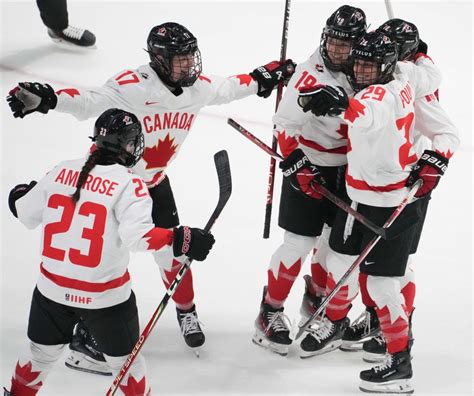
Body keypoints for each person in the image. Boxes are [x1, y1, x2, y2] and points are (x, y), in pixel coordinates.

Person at [6, 21, 295, 373]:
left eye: (192, 57)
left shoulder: (197, 88)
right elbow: (88, 101)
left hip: (153, 183)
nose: (190, 66)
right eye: (181, 59)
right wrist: (49, 98)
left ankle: (186, 312)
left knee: (175, 252)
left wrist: (263, 76)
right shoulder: (131, 87)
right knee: (100, 266)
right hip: (113, 188)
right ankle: (87, 333)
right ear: (159, 59)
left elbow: (230, 87)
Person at [3, 108, 215, 396]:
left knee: (38, 358)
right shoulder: (129, 183)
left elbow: (24, 211)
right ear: (127, 145)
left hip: (50, 293)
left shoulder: (61, 170)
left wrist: (20, 193)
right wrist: (181, 238)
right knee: (128, 370)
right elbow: (139, 237)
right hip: (104, 299)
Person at [297, 30, 448, 393]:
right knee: (337, 261)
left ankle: (400, 363)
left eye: (369, 65)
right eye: (358, 63)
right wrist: (423, 55)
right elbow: (425, 72)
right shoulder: (405, 74)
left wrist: (341, 105)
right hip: (357, 197)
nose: (361, 71)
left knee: (381, 284)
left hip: (390, 202)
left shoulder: (381, 92)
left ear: (388, 64)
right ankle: (335, 323)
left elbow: (369, 112)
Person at [252, 5, 366, 356]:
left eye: (345, 45)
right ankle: (269, 312)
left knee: (335, 247)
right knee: (298, 244)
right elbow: (283, 124)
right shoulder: (309, 73)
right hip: (311, 165)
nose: (336, 51)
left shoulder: (368, 68)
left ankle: (317, 301)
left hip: (350, 171)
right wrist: (297, 164)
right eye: (331, 42)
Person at [349, 18, 459, 362]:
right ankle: (376, 320)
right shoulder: (391, 74)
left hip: (408, 186)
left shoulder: (413, 84)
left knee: (394, 268)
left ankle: (394, 334)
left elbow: (447, 135)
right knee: (375, 265)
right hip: (376, 182)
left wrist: (434, 162)